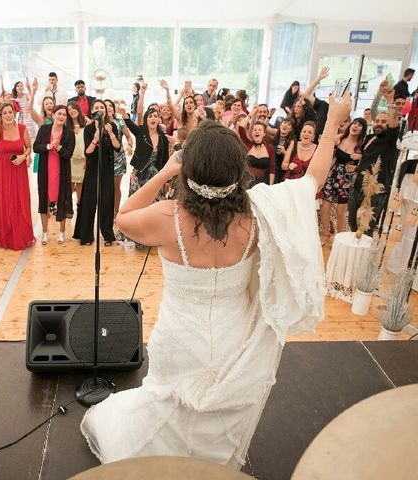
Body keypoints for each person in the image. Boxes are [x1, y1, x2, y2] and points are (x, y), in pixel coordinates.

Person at [80, 91, 351, 468]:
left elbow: (123, 215)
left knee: (167, 409)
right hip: (233, 339)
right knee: (219, 418)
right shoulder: (260, 216)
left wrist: (166, 170)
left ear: (190, 168)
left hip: (179, 339)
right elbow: (312, 180)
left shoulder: (166, 217)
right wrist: (334, 120)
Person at [348, 86, 399, 235]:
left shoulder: (390, 140)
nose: (379, 123)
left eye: (384, 121)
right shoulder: (370, 138)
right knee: (352, 225)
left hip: (374, 193)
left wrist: (391, 102)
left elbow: (394, 124)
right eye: (377, 121)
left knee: (365, 231)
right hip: (357, 188)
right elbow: (367, 160)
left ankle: (363, 258)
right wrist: (356, 169)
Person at [0, 102, 35, 250]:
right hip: (3, 169)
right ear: (0, 115)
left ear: (14, 113)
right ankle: (7, 235)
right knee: (6, 200)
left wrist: (24, 156)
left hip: (19, 169)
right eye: (4, 113)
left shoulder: (22, 128)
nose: (7, 115)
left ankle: (21, 234)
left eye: (10, 112)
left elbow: (29, 147)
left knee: (20, 200)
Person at [73, 100, 120, 246]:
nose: (99, 109)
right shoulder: (88, 129)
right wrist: (95, 139)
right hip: (92, 169)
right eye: (96, 107)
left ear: (106, 111)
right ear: (92, 111)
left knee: (106, 202)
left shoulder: (112, 126)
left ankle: (107, 234)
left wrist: (111, 133)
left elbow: (117, 147)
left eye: (102, 107)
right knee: (89, 201)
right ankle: (86, 236)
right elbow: (87, 153)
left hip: (107, 169)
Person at [320, 118, 367, 244]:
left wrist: (357, 164)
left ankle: (339, 238)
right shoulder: (340, 138)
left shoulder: (361, 146)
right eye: (355, 123)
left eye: (360, 125)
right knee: (325, 207)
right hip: (332, 175)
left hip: (347, 181)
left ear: (362, 130)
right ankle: (325, 234)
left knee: (341, 212)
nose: (355, 126)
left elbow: (365, 165)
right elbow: (329, 153)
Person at [33, 105, 75, 244]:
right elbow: (36, 147)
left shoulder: (69, 133)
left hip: (61, 171)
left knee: (62, 199)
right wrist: (48, 147)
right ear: (53, 115)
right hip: (45, 170)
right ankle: (44, 233)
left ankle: (62, 233)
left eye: (64, 114)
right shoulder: (44, 129)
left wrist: (59, 148)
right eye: (59, 113)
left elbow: (69, 154)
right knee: (44, 199)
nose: (61, 116)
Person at [67, 102, 87, 212]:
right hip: (70, 159)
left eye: (73, 108)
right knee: (69, 184)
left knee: (80, 184)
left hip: (82, 159)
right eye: (69, 109)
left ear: (78, 109)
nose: (72, 111)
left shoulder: (86, 124)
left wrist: (87, 159)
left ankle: (80, 205)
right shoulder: (66, 126)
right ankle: (68, 207)